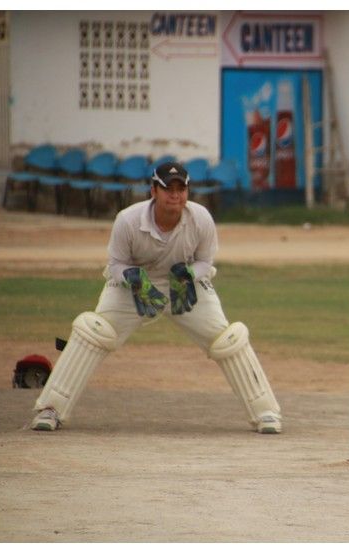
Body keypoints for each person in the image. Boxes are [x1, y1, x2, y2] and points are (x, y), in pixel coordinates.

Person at [29, 161, 282, 434]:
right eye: (168, 189)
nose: (175, 195)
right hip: (134, 285)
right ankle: (51, 408)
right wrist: (132, 278)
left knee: (228, 340)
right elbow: (115, 264)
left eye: (181, 189)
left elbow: (205, 262)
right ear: (153, 191)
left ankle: (265, 413)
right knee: (93, 332)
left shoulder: (201, 218)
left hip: (182, 285)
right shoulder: (128, 220)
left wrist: (189, 275)